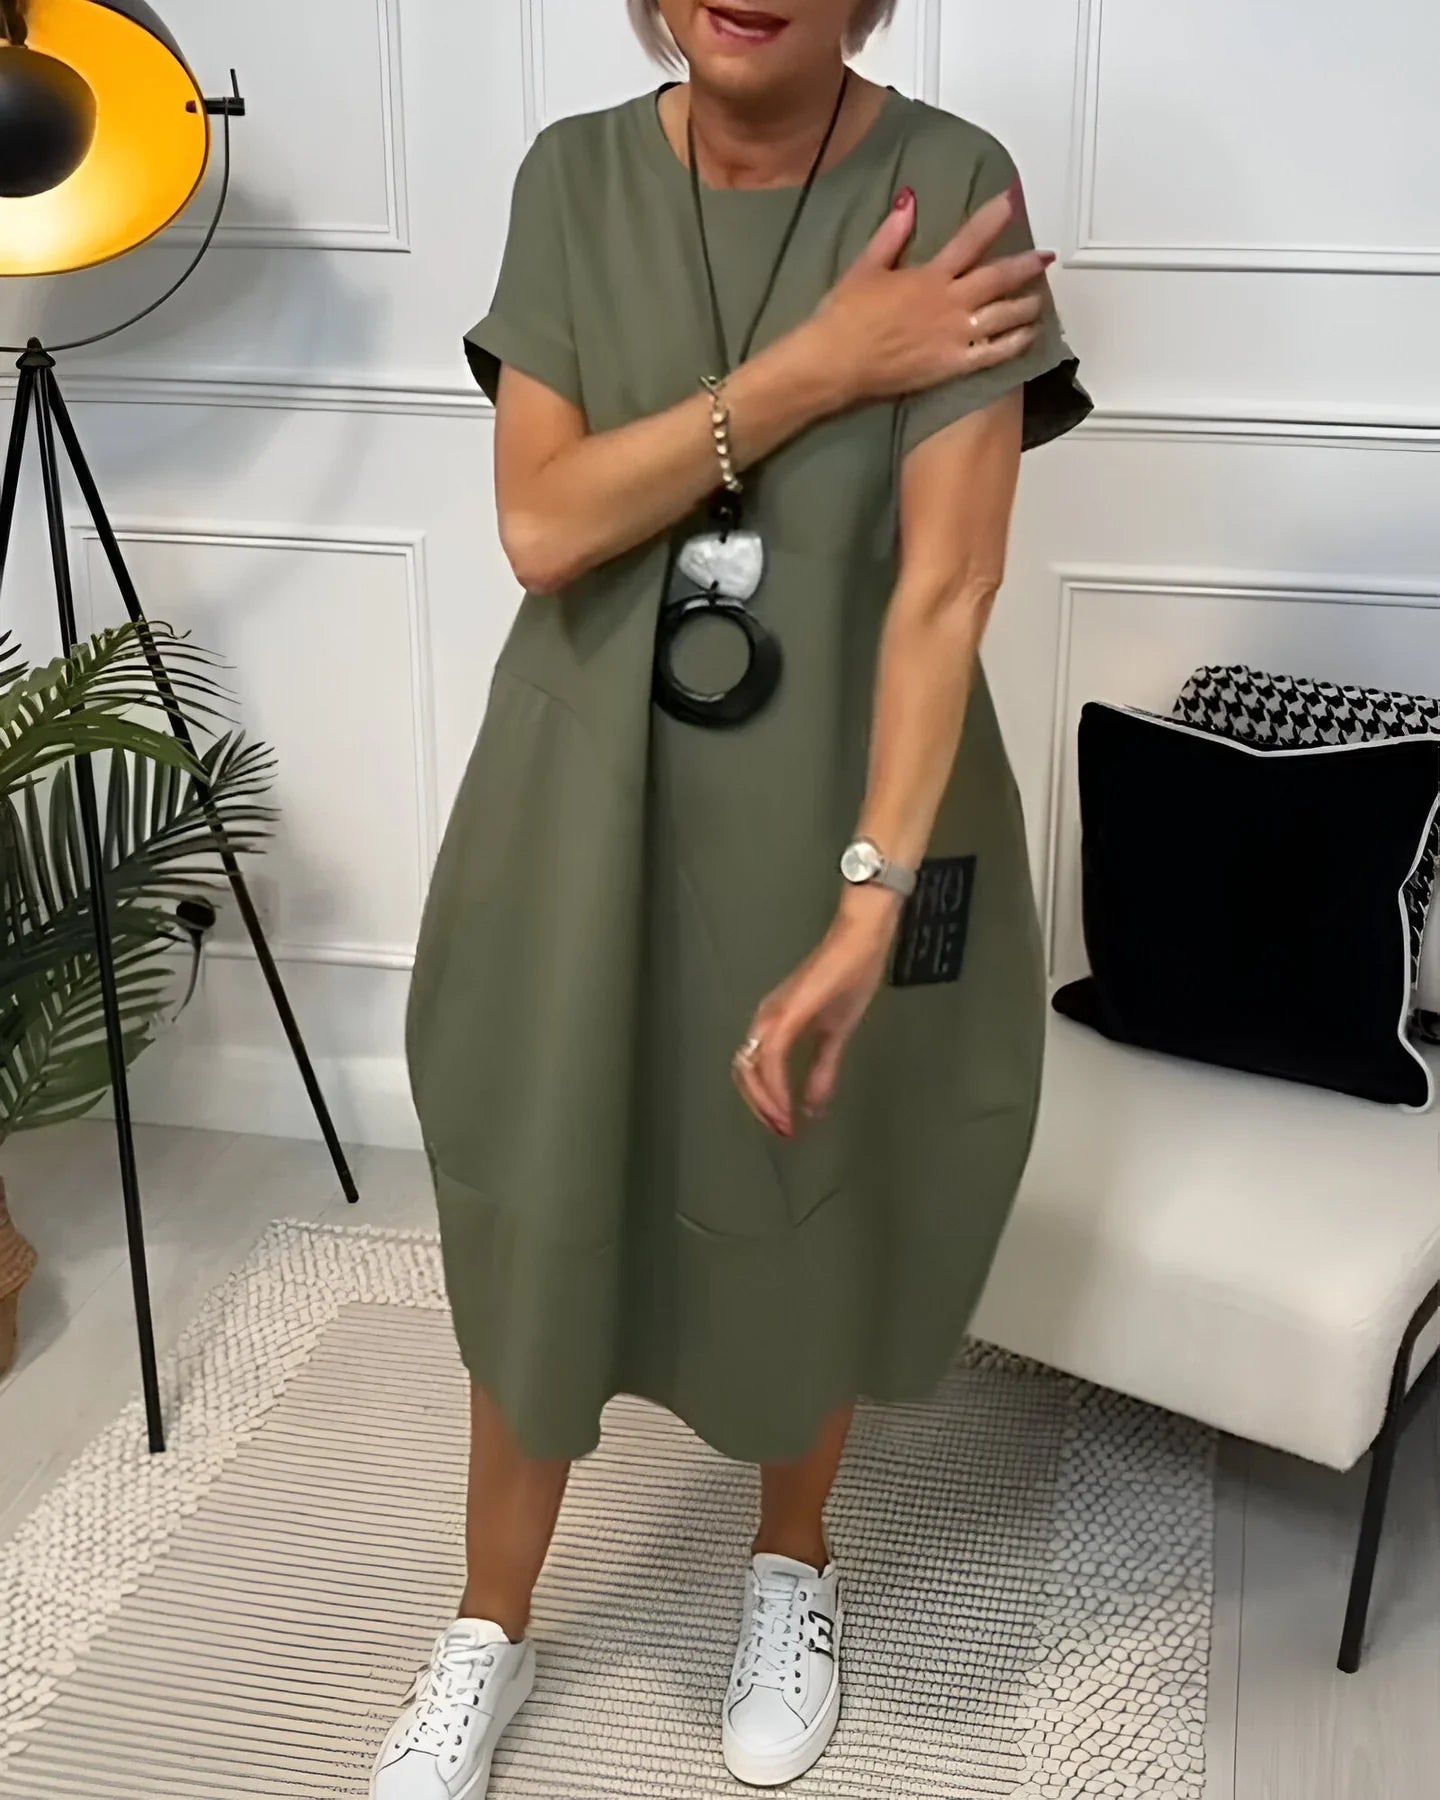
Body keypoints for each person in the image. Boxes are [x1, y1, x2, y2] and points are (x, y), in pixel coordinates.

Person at [373, 1, 1091, 1793]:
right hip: (582, 797)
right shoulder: (573, 180)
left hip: (852, 799)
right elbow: (545, 527)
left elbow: (945, 589)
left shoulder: (953, 182)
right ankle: (489, 1624)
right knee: (549, 1175)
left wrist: (871, 898)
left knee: (811, 1174)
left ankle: (792, 1562)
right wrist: (826, 363)